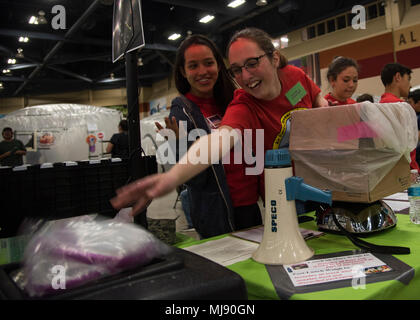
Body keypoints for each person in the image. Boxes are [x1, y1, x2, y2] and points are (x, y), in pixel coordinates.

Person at [110, 27, 328, 223]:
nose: (245, 76)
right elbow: (219, 140)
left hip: (319, 179)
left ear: (275, 58)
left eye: (252, 63)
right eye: (237, 69)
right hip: (278, 197)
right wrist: (171, 177)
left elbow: (315, 96)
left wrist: (324, 109)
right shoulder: (243, 104)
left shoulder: (294, 76)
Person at [154, 34, 238, 238]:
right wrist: (179, 146)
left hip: (251, 204)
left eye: (209, 63)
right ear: (183, 71)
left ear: (218, 65)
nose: (202, 72)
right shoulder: (182, 111)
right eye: (193, 66)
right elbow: (195, 179)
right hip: (216, 212)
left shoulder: (234, 100)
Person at [379, 63, 419, 172]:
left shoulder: (380, 104)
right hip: (406, 169)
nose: (410, 85)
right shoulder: (401, 107)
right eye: (408, 79)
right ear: (397, 77)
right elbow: (408, 145)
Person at [408, 89, 420, 165]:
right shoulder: (415, 115)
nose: (409, 105)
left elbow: (416, 140)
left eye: (410, 102)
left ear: (418, 103)